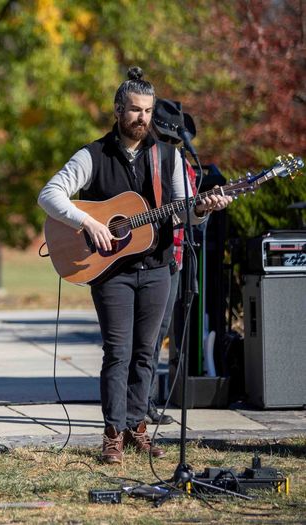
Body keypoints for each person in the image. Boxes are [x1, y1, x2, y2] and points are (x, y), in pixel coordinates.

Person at [38, 67, 231, 464]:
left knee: (146, 352)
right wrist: (88, 222)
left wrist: (204, 209)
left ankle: (137, 427)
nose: (142, 117)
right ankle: (112, 433)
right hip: (110, 270)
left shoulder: (169, 156)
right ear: (117, 110)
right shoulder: (92, 155)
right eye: (134, 110)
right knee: (118, 351)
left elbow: (184, 213)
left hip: (158, 266)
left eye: (147, 110)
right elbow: (50, 194)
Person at [145, 98, 199, 426]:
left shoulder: (184, 165)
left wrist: (200, 210)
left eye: (172, 139)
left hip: (174, 257)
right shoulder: (142, 160)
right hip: (142, 258)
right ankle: (135, 405)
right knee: (141, 338)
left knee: (158, 334)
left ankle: (146, 403)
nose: (169, 144)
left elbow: (189, 211)